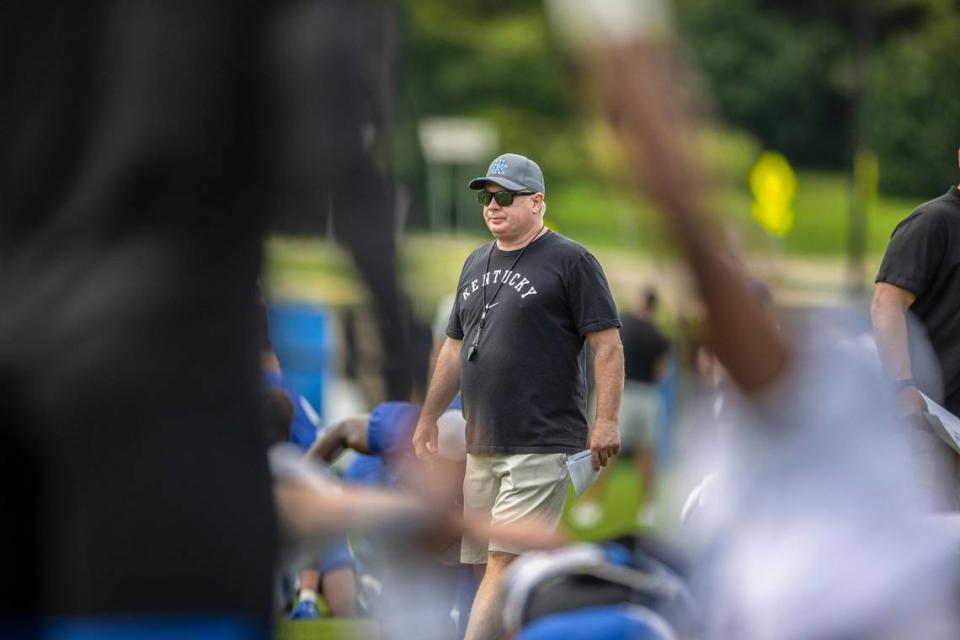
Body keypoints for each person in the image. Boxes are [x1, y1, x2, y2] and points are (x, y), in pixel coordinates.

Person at [412, 152, 624, 640]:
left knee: (503, 562)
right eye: (487, 196)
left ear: (537, 202)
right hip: (480, 440)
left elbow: (607, 345)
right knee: (485, 567)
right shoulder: (475, 260)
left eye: (504, 196)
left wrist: (606, 420)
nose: (492, 205)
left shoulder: (572, 260)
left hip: (541, 440)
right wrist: (429, 414)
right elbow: (453, 348)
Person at [572, 286, 669, 528]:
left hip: (620, 392)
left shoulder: (622, 323)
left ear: (640, 300)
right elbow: (661, 372)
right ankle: (649, 507)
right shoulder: (660, 336)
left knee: (605, 449)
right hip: (648, 395)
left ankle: (592, 505)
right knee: (646, 453)